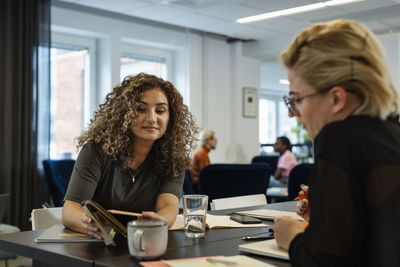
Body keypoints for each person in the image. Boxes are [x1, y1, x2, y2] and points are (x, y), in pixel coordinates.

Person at [273, 19, 400, 266]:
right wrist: (327, 211)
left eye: (296, 99)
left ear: (336, 99)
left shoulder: (338, 138)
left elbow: (322, 260)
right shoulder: (392, 132)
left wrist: (294, 238)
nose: (293, 113)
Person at [62, 73, 199, 239]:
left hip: (143, 241)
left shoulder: (173, 157)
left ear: (171, 118)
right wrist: (88, 223)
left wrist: (161, 220)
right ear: (123, 114)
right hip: (98, 242)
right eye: (141, 109)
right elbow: (70, 209)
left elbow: (168, 205)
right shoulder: (96, 150)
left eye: (160, 110)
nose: (152, 118)